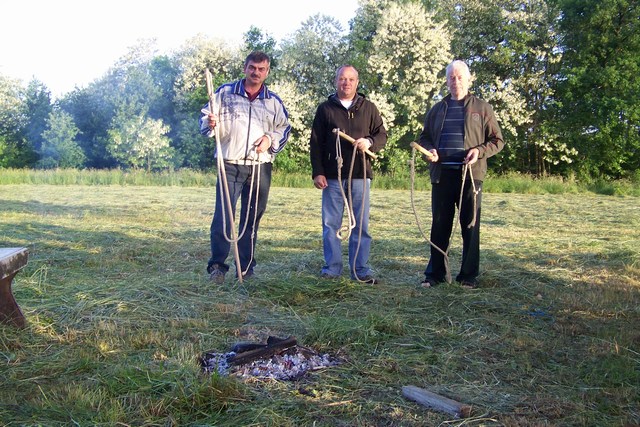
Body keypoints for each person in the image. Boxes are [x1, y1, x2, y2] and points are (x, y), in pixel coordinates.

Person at [200, 51, 291, 283]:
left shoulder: (273, 101)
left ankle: (246, 268)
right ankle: (218, 267)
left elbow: (284, 128)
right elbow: (205, 121)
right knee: (223, 218)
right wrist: (210, 123)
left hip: (259, 167)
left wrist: (270, 140)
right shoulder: (225, 93)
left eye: (261, 69)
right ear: (245, 68)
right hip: (229, 163)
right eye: (252, 67)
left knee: (251, 219)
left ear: (267, 72)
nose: (256, 72)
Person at [418, 59, 504, 289]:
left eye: (459, 77)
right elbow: (424, 137)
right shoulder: (437, 109)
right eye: (451, 77)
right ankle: (435, 275)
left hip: (471, 176)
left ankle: (468, 276)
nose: (455, 81)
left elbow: (498, 140)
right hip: (442, 175)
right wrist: (431, 150)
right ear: (446, 81)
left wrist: (478, 150)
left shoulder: (482, 108)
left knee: (470, 225)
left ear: (468, 79)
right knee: (439, 225)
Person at [309, 65, 387, 284]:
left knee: (361, 225)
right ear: (336, 82)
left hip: (360, 175)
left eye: (351, 79)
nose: (346, 83)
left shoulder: (369, 108)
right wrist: (318, 172)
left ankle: (360, 269)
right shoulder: (325, 109)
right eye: (342, 79)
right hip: (332, 177)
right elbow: (315, 143)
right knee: (331, 225)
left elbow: (382, 135)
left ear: (357, 82)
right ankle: (332, 269)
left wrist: (369, 141)